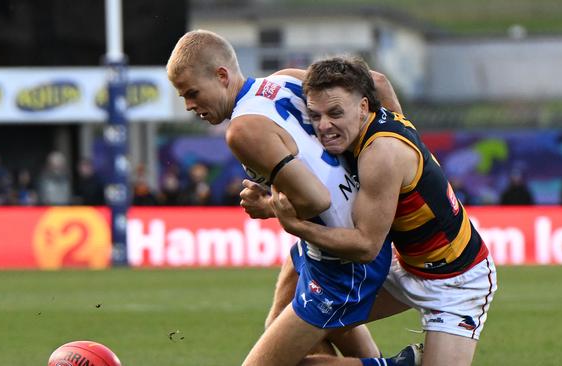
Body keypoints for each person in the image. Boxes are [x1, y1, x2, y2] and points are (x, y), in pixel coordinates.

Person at [167, 30, 412, 365]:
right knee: (277, 324)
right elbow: (378, 82)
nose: (189, 105)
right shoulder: (286, 79)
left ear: (222, 75)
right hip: (333, 240)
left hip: (342, 259)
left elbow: (315, 200)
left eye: (192, 93)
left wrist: (265, 206)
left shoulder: (241, 131)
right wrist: (409, 155)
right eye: (183, 97)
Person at [268, 57, 497, 366]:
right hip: (402, 265)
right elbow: (378, 80)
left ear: (363, 107)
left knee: (301, 333)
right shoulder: (373, 104)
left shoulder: (381, 154)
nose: (323, 126)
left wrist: (296, 226)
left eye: (336, 113)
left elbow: (365, 246)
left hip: (457, 282)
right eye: (315, 115)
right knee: (303, 332)